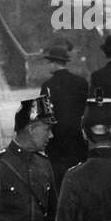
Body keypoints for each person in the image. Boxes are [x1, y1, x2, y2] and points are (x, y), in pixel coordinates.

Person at [39, 42, 88, 190]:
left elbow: (43, 115)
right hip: (77, 139)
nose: (47, 66)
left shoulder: (47, 86)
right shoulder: (81, 82)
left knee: (59, 184)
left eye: (49, 62)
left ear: (54, 63)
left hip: (56, 142)